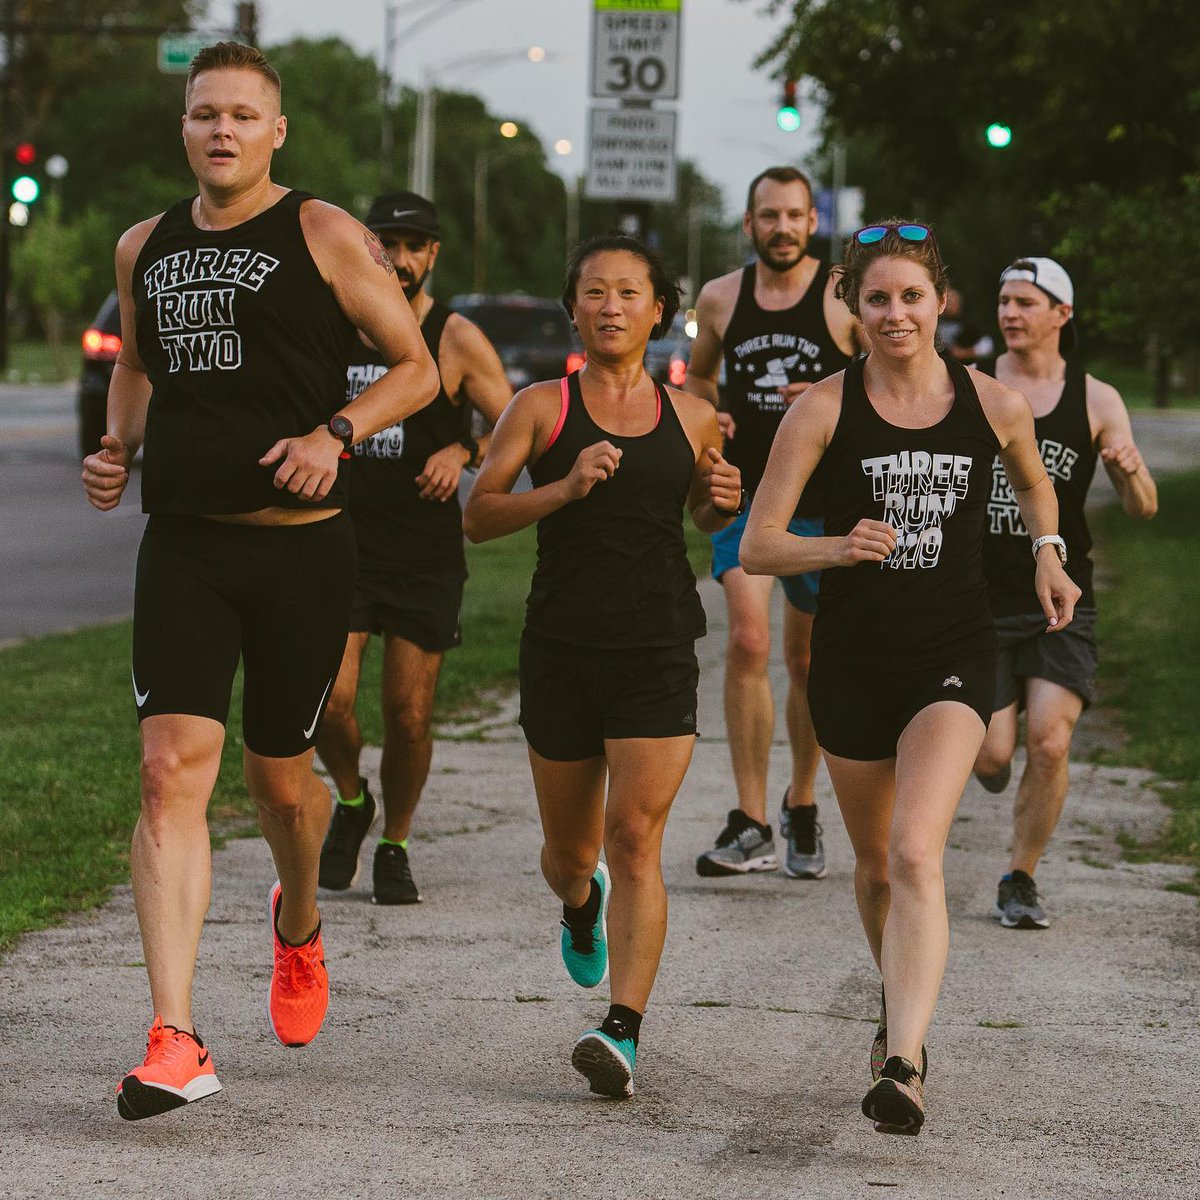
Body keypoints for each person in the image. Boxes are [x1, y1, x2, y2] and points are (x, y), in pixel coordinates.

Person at [80, 42, 438, 1121]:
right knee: (168, 771)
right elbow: (136, 361)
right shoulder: (143, 244)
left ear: (276, 131)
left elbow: (414, 366)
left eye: (242, 115)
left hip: (303, 548)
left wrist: (338, 431)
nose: (221, 130)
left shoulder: (322, 231)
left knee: (281, 785)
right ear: (183, 128)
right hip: (185, 542)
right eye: (203, 114)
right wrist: (115, 446)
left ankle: (298, 922)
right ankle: (176, 1034)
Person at [740, 221, 1079, 1135]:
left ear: (940, 302)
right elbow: (759, 543)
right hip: (853, 664)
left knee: (918, 852)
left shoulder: (991, 402)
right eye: (878, 298)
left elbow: (1035, 480)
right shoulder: (821, 408)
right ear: (852, 305)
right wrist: (836, 547)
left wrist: (1048, 552)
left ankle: (902, 1058)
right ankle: (901, 1014)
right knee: (878, 869)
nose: (896, 314)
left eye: (912, 297)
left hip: (952, 656)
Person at [462, 234, 742, 1099]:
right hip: (562, 648)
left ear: (660, 310)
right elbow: (479, 514)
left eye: (630, 292)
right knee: (569, 852)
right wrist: (565, 487)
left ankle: (621, 1028)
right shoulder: (539, 408)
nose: (612, 305)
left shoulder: (694, 415)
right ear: (574, 307)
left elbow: (694, 511)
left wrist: (713, 500)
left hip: (657, 647)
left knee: (635, 839)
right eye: (595, 291)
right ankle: (579, 907)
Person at [314, 191, 511, 906]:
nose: (398, 258)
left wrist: (465, 447)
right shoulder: (333, 325)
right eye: (386, 243)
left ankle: (393, 842)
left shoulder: (454, 336)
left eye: (414, 246)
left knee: (409, 713)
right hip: (337, 539)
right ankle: (350, 798)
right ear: (366, 246)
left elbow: (518, 426)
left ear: (433, 255)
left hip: (423, 551)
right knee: (326, 702)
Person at [972, 257, 1157, 929]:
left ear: (1062, 314)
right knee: (992, 754)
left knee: (1049, 742)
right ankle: (990, 764)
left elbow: (1143, 508)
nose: (1010, 313)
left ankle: (1020, 878)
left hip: (1060, 600)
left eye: (1026, 301)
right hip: (980, 598)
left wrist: (1130, 472)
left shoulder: (1097, 398)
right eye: (1004, 301)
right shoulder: (974, 385)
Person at [686, 166, 858, 880]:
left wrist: (825, 396)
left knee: (809, 661)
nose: (781, 228)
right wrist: (708, 418)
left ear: (811, 222)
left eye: (793, 215)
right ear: (750, 222)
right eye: (768, 216)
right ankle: (752, 817)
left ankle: (803, 801)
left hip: (824, 504)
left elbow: (885, 381)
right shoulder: (722, 297)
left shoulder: (845, 295)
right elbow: (697, 378)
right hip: (748, 495)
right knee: (749, 642)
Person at [936, 287, 994, 364]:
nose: (949, 306)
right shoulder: (936, 323)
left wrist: (965, 353)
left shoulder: (969, 323)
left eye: (953, 302)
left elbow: (988, 345)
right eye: (948, 302)